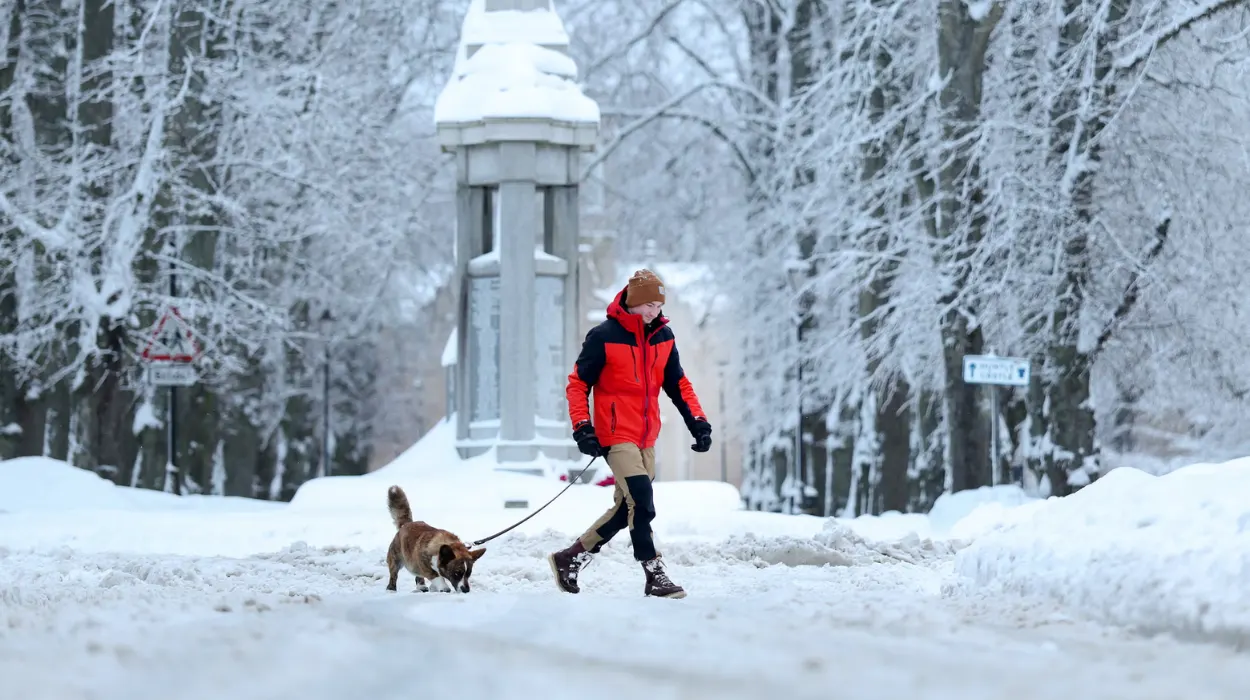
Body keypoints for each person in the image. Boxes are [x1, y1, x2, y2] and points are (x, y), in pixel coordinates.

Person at [547, 269, 713, 599]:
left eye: (658, 305)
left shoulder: (663, 338)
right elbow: (578, 383)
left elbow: (678, 384)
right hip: (614, 433)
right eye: (648, 304)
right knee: (642, 499)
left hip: (646, 435)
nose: (654, 311)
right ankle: (655, 574)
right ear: (633, 302)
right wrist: (583, 426)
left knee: (628, 509)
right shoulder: (604, 335)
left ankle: (570, 557)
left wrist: (698, 421)